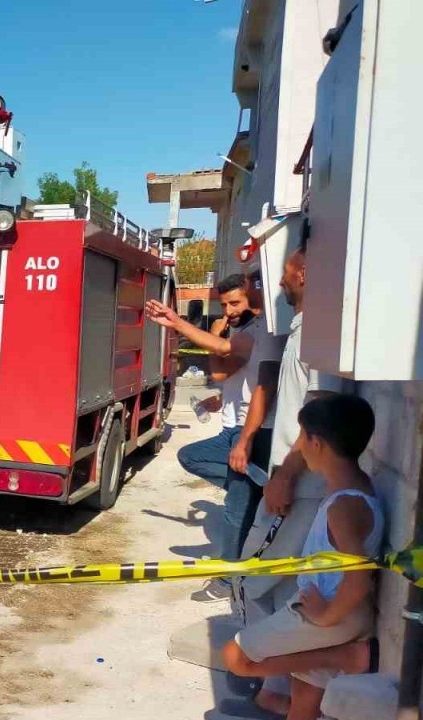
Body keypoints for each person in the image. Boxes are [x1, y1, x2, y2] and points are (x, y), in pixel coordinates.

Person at [221, 394, 383, 720]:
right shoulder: (356, 486)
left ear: (317, 442)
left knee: (236, 658)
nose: (299, 449)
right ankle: (337, 658)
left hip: (328, 614)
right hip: (330, 608)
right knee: (303, 704)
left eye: (301, 438)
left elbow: (360, 578)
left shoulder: (344, 506)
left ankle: (346, 657)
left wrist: (325, 616)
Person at [239, 243, 349, 715]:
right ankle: (276, 693)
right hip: (299, 486)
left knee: (249, 578)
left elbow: (319, 418)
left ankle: (273, 689)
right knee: (285, 589)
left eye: (281, 274)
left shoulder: (318, 335)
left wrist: (285, 475)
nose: (276, 284)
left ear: (302, 273)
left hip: (300, 488)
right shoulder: (306, 329)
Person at [146, 273, 285, 601]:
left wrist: (178, 323)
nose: (230, 309)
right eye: (224, 305)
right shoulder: (252, 328)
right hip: (237, 426)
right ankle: (256, 490)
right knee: (203, 467)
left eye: (235, 302)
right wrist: (221, 399)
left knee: (235, 509)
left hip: (249, 430)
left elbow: (238, 370)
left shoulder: (261, 329)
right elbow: (228, 374)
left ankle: (228, 581)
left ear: (253, 294)